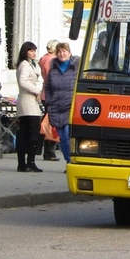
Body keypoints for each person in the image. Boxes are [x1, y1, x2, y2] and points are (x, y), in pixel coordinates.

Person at [43, 42, 79, 165]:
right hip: (56, 106)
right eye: (59, 52)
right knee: (62, 138)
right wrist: (49, 101)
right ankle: (68, 160)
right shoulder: (53, 69)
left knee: (68, 135)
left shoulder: (76, 67)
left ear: (69, 53)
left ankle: (72, 161)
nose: (61, 54)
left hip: (71, 106)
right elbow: (47, 86)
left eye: (64, 51)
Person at [15, 41, 43, 172]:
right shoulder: (25, 65)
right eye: (31, 50)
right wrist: (37, 90)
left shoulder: (31, 64)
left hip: (29, 101)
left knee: (25, 132)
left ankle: (24, 163)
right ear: (25, 52)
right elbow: (23, 81)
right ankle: (29, 162)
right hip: (28, 101)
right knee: (32, 133)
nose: (33, 53)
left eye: (34, 50)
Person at [38, 39, 60, 161]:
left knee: (50, 123)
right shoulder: (50, 60)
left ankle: (49, 150)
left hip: (46, 94)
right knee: (51, 124)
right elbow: (51, 78)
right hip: (51, 95)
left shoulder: (44, 59)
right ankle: (49, 151)